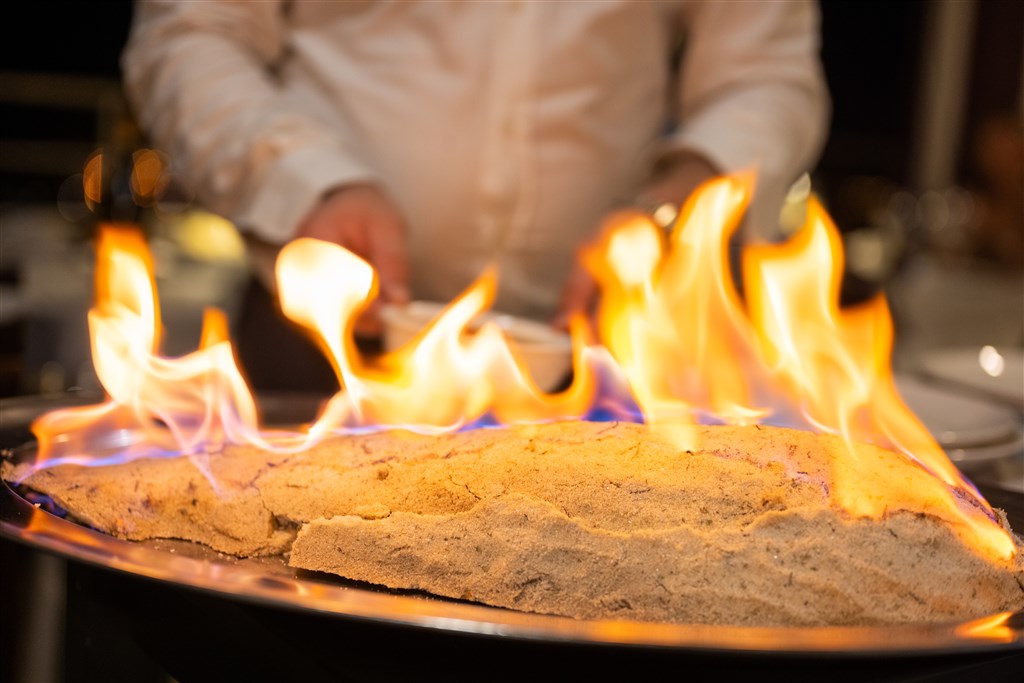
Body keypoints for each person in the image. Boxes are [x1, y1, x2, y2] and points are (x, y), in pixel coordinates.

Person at [120, 0, 830, 392]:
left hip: (596, 355)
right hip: (320, 336)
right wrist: (310, 181)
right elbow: (191, 33)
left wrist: (682, 204)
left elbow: (766, 74)